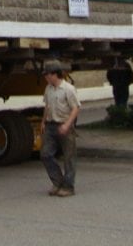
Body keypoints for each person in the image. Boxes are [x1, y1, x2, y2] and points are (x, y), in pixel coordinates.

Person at [41, 60, 80, 198]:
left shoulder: (68, 89)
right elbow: (47, 106)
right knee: (46, 154)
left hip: (65, 125)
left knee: (69, 157)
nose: (46, 77)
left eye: (47, 74)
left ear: (55, 74)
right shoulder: (48, 88)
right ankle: (57, 182)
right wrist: (43, 121)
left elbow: (75, 108)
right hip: (51, 125)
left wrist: (67, 124)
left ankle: (69, 187)